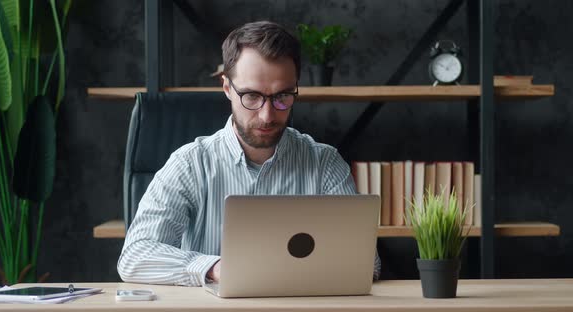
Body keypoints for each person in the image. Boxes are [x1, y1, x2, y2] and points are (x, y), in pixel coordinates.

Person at [117, 21, 381, 287]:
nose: (267, 115)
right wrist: (216, 268)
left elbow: (366, 262)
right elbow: (135, 256)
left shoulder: (325, 163)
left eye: (282, 96)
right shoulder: (189, 164)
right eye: (252, 96)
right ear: (227, 88)